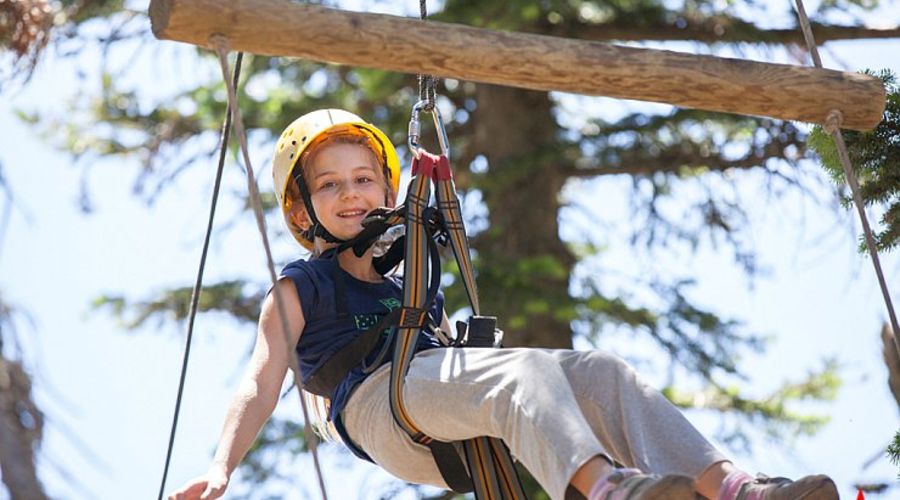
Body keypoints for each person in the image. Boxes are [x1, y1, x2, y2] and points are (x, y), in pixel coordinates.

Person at [168, 109, 840, 500]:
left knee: (600, 370)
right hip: (383, 408)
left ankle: (732, 487)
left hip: (448, 405)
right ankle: (607, 489)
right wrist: (220, 467)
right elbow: (258, 383)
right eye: (331, 186)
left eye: (364, 179)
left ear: (387, 187)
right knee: (524, 372)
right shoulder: (301, 287)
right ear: (303, 207)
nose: (352, 196)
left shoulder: (412, 266)